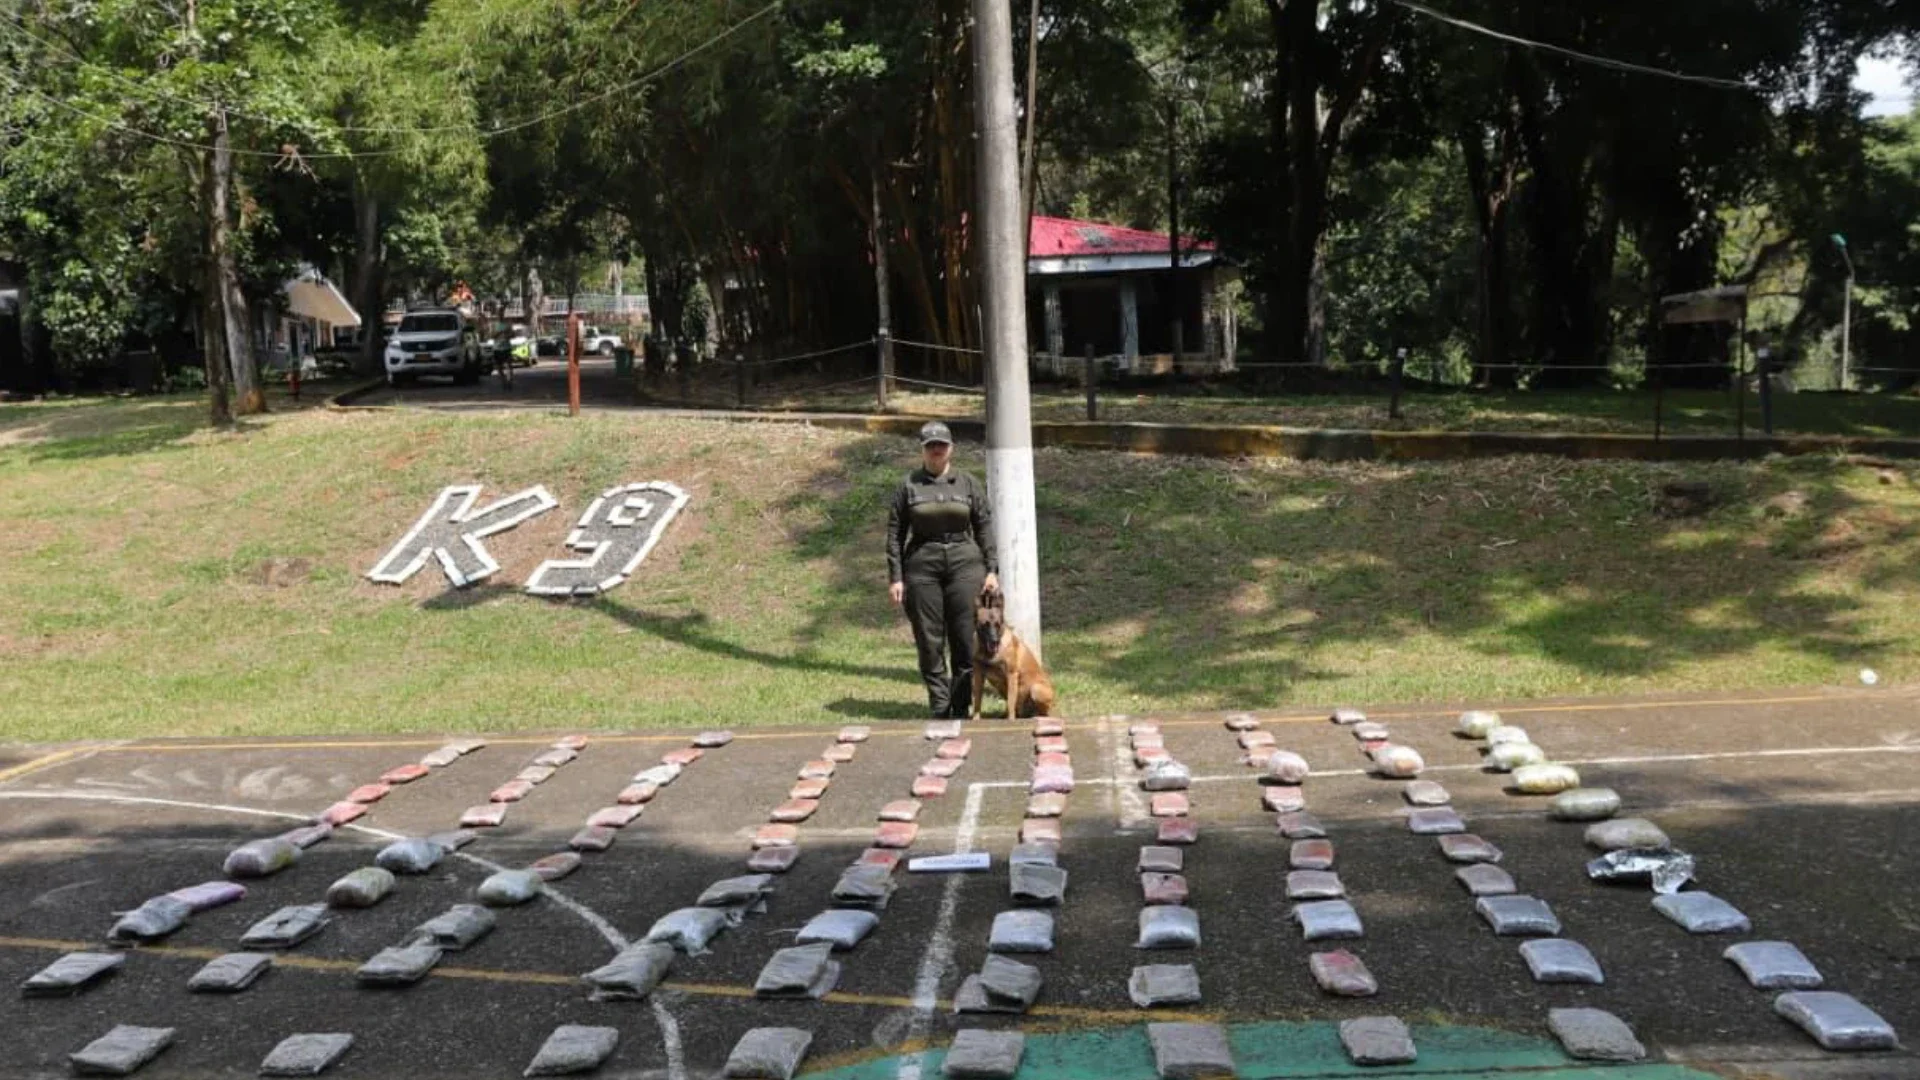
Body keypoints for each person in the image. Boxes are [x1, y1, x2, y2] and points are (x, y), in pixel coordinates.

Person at [887, 421, 1000, 719]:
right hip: (922, 565)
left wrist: (992, 569)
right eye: (930, 446)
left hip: (965, 564)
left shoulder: (968, 483)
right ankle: (939, 704)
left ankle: (960, 706)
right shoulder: (908, 485)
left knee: (963, 639)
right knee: (929, 638)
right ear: (922, 450)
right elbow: (895, 534)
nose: (936, 450)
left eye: (942, 445)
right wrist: (896, 577)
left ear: (951, 448)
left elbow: (984, 527)